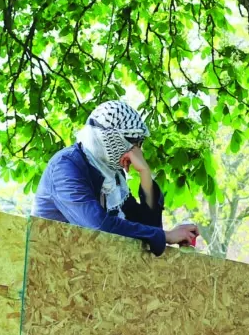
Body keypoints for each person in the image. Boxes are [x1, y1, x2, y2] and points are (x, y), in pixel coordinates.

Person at [34, 100, 200, 254]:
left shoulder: (113, 176)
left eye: (139, 143)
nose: (136, 150)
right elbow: (98, 225)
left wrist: (145, 173)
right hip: (47, 265)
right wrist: (166, 235)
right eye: (132, 141)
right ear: (105, 135)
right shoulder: (66, 167)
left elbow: (148, 227)